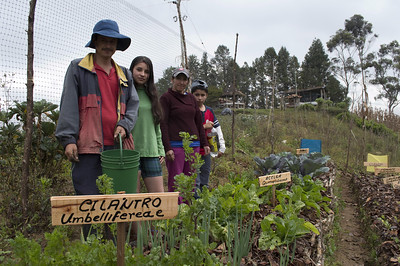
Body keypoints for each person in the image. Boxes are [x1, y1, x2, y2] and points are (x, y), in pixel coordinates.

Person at [55, 19, 139, 238]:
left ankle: (113, 249)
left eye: (112, 41)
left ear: (117, 45)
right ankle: (92, 250)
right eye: (103, 40)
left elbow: (133, 105)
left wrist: (125, 125)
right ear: (95, 42)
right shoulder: (78, 68)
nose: (108, 45)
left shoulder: (124, 74)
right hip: (87, 146)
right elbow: (69, 104)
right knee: (89, 201)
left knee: (116, 201)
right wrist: (68, 139)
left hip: (117, 147)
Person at [159, 67, 210, 197]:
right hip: (176, 146)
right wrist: (167, 147)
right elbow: (163, 123)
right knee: (176, 180)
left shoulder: (191, 99)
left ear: (188, 81)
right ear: (172, 79)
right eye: (178, 79)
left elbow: (198, 122)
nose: (181, 82)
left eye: (184, 79)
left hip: (193, 145)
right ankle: (176, 211)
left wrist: (204, 143)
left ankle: (188, 212)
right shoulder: (166, 98)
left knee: (191, 181)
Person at [129, 56, 165, 193]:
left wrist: (160, 149)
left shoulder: (152, 95)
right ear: (131, 69)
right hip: (130, 153)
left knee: (158, 198)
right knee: (133, 200)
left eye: (146, 71)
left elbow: (156, 125)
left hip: (151, 152)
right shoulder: (125, 93)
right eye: (139, 69)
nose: (142, 74)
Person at [191, 80, 226, 195]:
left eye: (202, 95)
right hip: (193, 150)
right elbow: (187, 129)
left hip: (207, 151)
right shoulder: (189, 110)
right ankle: (195, 205)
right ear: (192, 95)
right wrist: (203, 126)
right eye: (196, 95)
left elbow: (218, 128)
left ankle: (203, 202)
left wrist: (222, 147)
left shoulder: (209, 111)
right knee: (195, 180)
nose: (199, 98)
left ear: (206, 96)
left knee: (205, 177)